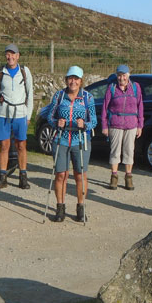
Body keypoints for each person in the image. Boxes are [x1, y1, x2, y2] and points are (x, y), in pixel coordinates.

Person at [47, 66, 97, 222]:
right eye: (70, 78)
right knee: (61, 174)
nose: (73, 81)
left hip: (80, 139)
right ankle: (60, 208)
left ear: (81, 81)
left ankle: (80, 208)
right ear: (66, 79)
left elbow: (94, 120)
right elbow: (50, 116)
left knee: (80, 175)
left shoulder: (87, 98)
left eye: (76, 79)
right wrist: (57, 122)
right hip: (61, 138)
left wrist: (85, 125)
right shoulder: (59, 96)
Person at [0, 44, 34, 190]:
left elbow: (30, 94)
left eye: (13, 54)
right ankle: (2, 177)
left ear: (18, 56)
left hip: (21, 113)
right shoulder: (0, 72)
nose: (10, 57)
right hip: (3, 114)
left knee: (21, 145)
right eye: (8, 54)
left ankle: (23, 177)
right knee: (4, 146)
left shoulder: (25, 71)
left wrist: (28, 115)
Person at [101, 64, 143, 190]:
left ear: (128, 75)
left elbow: (140, 106)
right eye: (119, 76)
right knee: (115, 152)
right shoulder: (111, 88)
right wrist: (104, 125)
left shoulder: (136, 87)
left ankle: (128, 177)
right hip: (115, 124)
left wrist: (140, 125)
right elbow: (104, 108)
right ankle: (114, 177)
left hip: (131, 124)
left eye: (124, 75)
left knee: (129, 151)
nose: (121, 78)